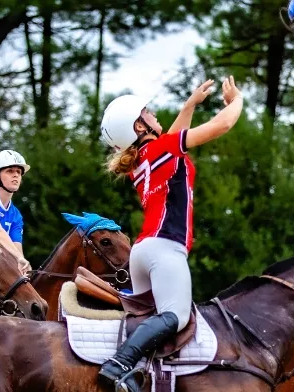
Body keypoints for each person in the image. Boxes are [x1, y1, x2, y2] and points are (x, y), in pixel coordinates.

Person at [97, 76, 243, 392]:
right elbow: (222, 126)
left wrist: (189, 105)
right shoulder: (161, 149)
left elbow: (172, 136)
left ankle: (139, 377)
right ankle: (119, 365)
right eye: (146, 111)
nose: (153, 113)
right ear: (139, 127)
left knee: (153, 323)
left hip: (142, 252)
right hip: (165, 249)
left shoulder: (141, 160)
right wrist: (238, 101)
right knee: (175, 317)